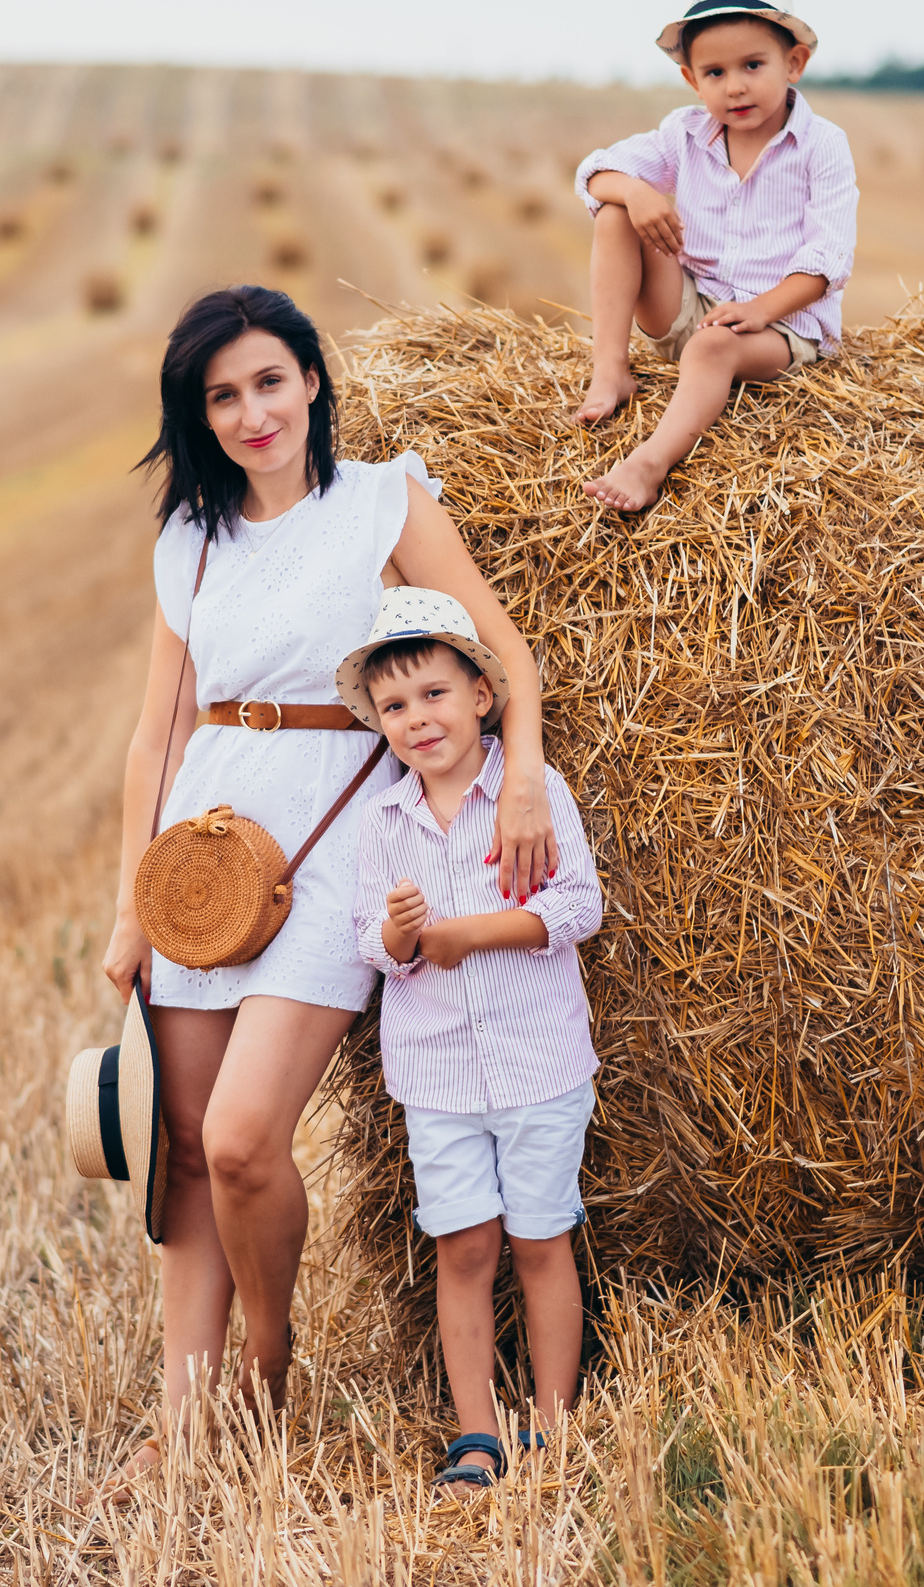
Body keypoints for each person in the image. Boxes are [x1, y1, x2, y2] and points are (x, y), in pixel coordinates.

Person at [100, 285, 560, 1492]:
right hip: (203, 851)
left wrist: (520, 780)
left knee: (242, 1137)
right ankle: (187, 1420)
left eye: (269, 380)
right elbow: (156, 734)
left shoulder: (382, 501)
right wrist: (130, 903)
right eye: (222, 396)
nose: (251, 412)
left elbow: (505, 653)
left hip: (334, 842)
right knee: (184, 1151)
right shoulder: (189, 540)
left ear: (311, 380)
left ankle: (266, 1364)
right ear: (198, 416)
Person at [337, 591, 602, 1498]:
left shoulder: (532, 791)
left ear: (482, 695)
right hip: (439, 1078)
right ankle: (477, 1435)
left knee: (540, 1242)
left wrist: (471, 934)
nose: (417, 718)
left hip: (539, 1064)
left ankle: (554, 1427)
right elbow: (370, 943)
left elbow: (578, 904)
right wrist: (402, 931)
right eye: (395, 706)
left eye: (435, 694)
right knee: (464, 1248)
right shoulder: (383, 823)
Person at [573, 0, 858, 513]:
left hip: (779, 328)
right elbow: (595, 173)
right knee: (614, 212)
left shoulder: (823, 145)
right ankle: (610, 370)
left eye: (753, 64)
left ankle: (648, 464)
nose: (735, 86)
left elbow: (829, 260)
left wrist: (758, 309)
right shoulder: (684, 132)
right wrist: (635, 191)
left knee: (711, 346)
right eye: (715, 73)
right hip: (688, 306)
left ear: (794, 62)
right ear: (692, 80)